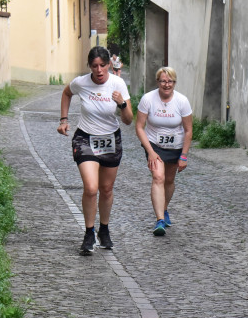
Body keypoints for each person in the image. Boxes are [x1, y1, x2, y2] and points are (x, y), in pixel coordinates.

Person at [57, 46, 133, 255]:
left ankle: (104, 230)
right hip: (85, 138)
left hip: (110, 139)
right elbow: (66, 93)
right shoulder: (81, 82)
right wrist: (64, 119)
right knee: (91, 188)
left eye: (102, 65)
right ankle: (89, 232)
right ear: (89, 67)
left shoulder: (117, 84)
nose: (98, 70)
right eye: (94, 66)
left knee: (106, 189)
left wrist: (122, 104)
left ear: (109, 64)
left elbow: (128, 121)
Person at [135, 67, 193, 236]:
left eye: (170, 81)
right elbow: (139, 127)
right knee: (158, 177)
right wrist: (150, 151)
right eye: (163, 81)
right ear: (157, 82)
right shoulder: (148, 99)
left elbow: (188, 130)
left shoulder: (182, 101)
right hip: (154, 145)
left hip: (176, 146)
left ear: (174, 83)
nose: (166, 85)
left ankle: (164, 209)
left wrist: (184, 155)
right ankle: (159, 219)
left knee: (168, 180)